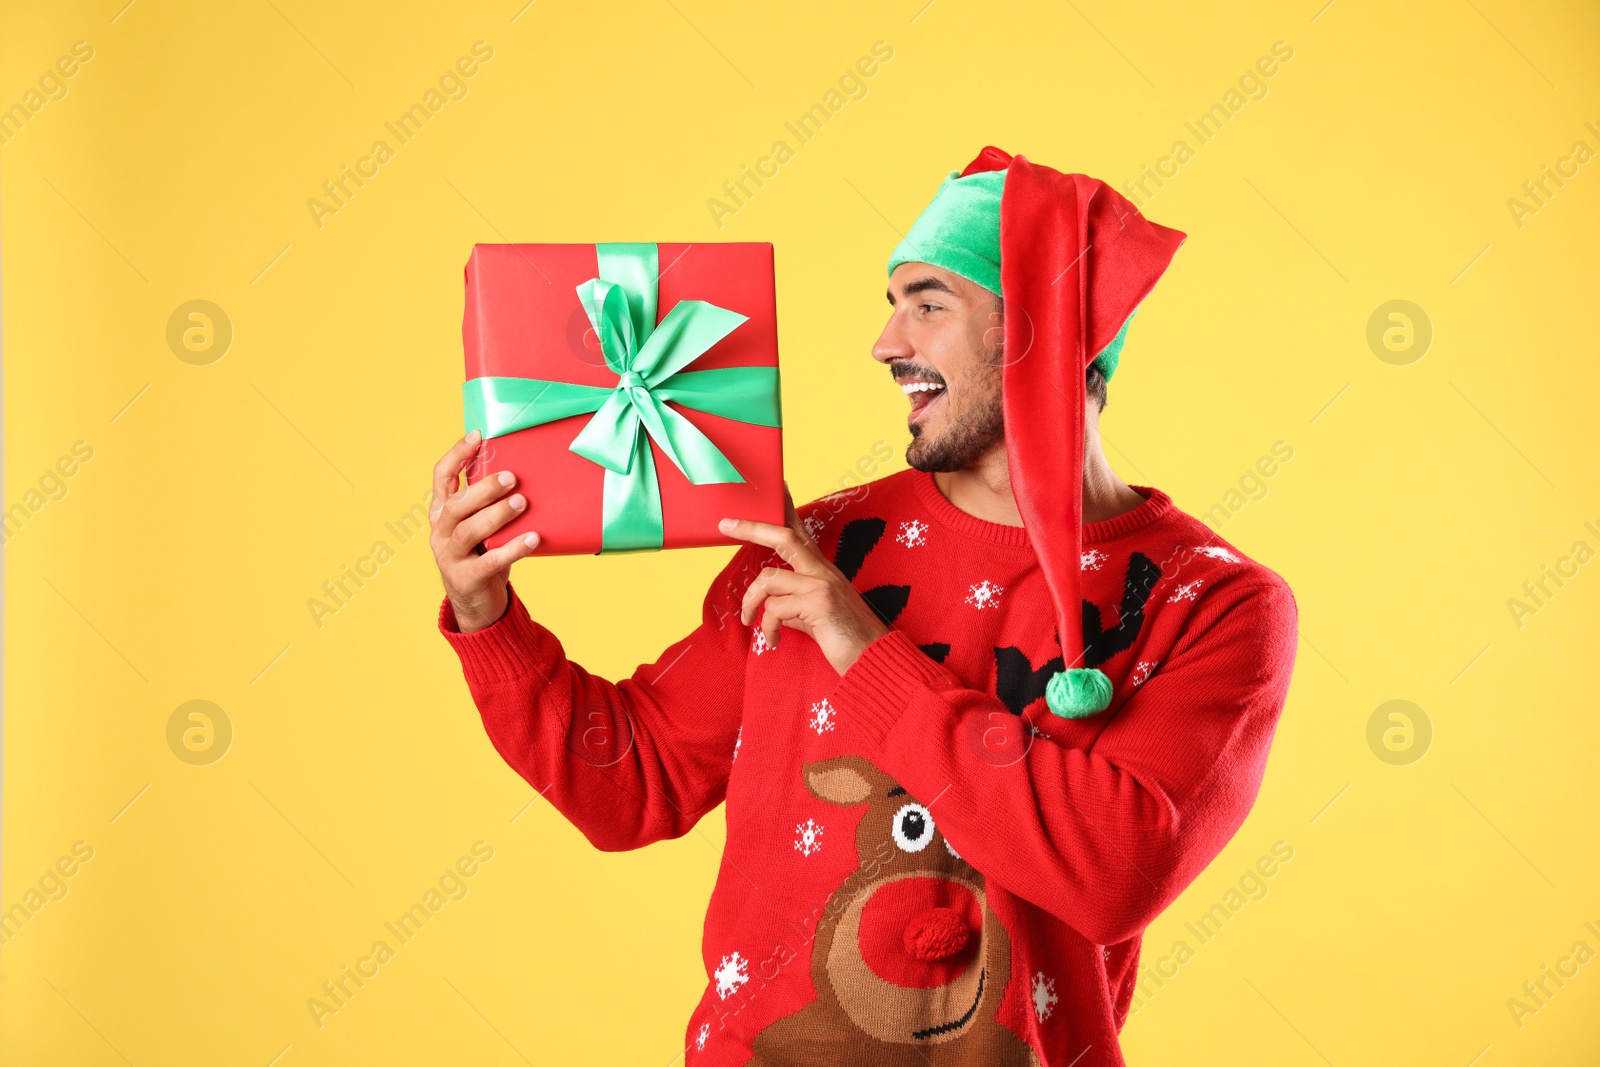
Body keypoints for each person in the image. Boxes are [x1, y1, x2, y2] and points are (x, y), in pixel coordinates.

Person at [429, 146, 1298, 1067]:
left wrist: (863, 647)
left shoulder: (1213, 600)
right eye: (892, 307)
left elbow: (1116, 871)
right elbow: (630, 786)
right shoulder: (820, 544)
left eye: (928, 304)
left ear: (1051, 328)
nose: (886, 345)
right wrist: (487, 618)